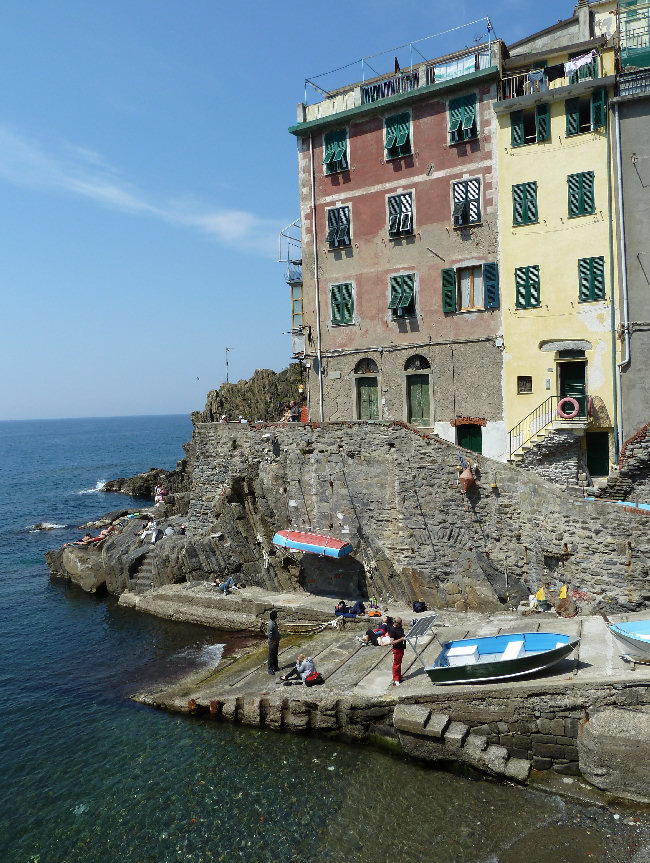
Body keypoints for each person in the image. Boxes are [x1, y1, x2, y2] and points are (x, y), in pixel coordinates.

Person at [389, 616, 406, 686]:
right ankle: (396, 679)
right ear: (395, 623)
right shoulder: (393, 630)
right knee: (396, 664)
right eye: (399, 623)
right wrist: (400, 640)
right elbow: (392, 642)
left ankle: (399, 676)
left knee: (400, 663)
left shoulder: (399, 628)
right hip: (397, 649)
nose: (400, 624)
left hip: (401, 647)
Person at [267, 610, 280, 675]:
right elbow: (269, 635)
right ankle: (270, 669)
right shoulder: (271, 624)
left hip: (276, 641)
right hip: (273, 643)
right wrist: (273, 641)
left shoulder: (274, 623)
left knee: (275, 655)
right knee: (271, 656)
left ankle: (275, 667)